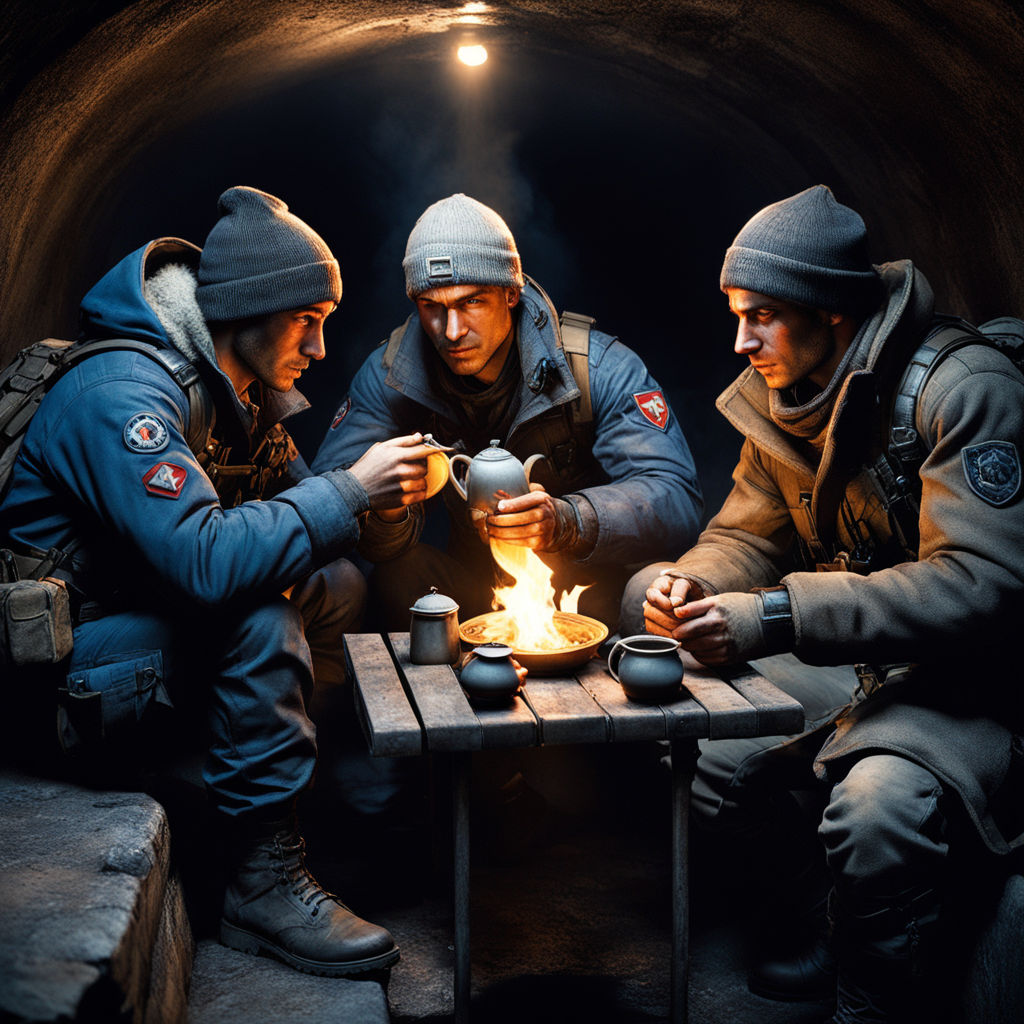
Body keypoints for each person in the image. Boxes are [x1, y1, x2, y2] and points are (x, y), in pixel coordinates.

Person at [0, 186, 437, 977]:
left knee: (333, 583)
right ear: (249, 310)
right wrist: (349, 490)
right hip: (53, 686)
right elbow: (204, 563)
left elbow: (311, 529)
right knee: (256, 618)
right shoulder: (122, 396)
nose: (321, 348)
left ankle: (287, 800)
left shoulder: (233, 393)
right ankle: (257, 882)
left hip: (134, 650)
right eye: (308, 322)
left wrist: (386, 502)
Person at [623, 185, 1024, 1023]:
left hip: (971, 685)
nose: (741, 339)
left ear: (833, 313)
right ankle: (823, 912)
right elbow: (749, 536)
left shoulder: (966, 390)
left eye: (762, 315)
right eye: (736, 313)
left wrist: (776, 616)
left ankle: (872, 1000)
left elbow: (981, 587)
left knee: (877, 809)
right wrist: (693, 582)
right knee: (691, 734)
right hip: (865, 666)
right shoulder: (790, 398)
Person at [311, 193, 703, 631]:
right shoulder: (390, 377)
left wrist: (568, 519)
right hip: (473, 592)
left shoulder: (597, 368)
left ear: (511, 294)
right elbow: (330, 507)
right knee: (397, 575)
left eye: (471, 302)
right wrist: (388, 513)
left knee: (652, 588)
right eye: (432, 307)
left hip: (588, 597)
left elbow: (676, 498)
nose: (452, 331)